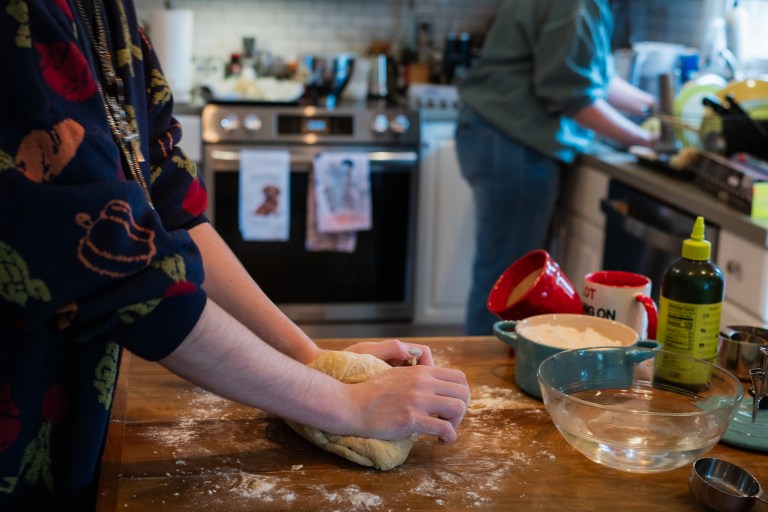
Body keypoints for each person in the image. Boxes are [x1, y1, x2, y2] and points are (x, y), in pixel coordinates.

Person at [0, 1, 471, 509]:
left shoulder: (111, 12)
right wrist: (344, 404)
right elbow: (120, 272)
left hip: (80, 412)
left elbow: (167, 200)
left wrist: (312, 360)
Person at [455, 0, 659, 335]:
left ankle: (482, 362)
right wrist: (645, 139)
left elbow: (593, 76)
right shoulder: (577, 4)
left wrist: (654, 107)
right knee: (507, 285)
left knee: (501, 273)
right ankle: (479, 367)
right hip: (514, 142)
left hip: (496, 135)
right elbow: (574, 96)